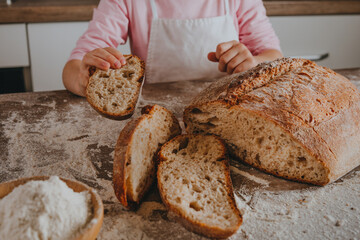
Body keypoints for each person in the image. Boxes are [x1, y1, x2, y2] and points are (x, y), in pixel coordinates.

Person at [62, 0, 283, 97]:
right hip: (154, 115)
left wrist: (253, 64)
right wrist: (83, 79)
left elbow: (274, 55)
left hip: (227, 110)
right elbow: (72, 68)